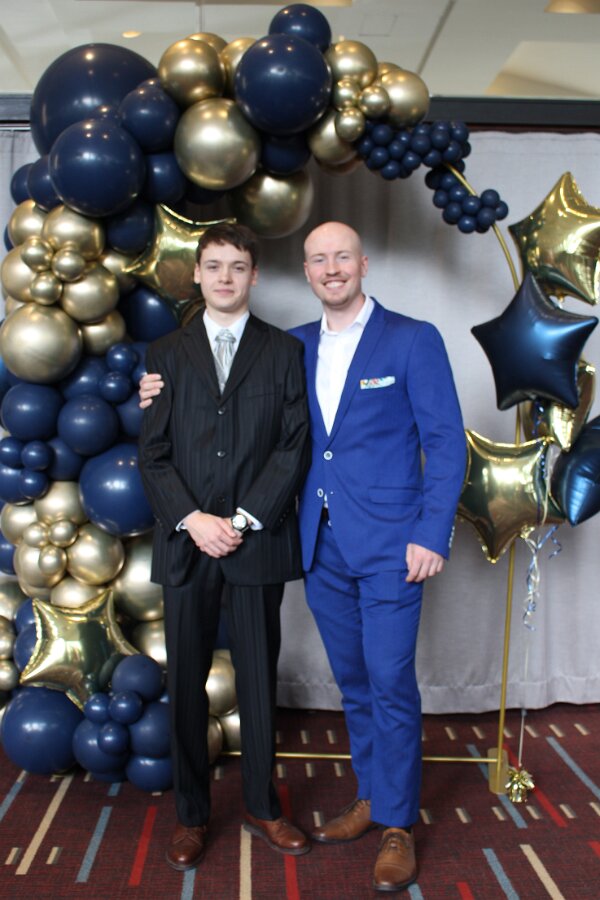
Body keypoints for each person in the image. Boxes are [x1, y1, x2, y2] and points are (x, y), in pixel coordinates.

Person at [140, 221, 466, 892]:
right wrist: (150, 390)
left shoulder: (413, 339)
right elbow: (231, 413)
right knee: (354, 681)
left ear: (362, 263)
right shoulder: (293, 347)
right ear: (308, 271)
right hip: (319, 542)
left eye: (341, 256)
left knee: (389, 680)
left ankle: (398, 823)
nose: (330, 268)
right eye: (318, 259)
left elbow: (446, 441)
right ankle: (372, 796)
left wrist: (433, 533)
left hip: (391, 543)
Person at [138, 222, 312, 872]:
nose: (225, 278)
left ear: (254, 275)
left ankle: (265, 806)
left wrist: (240, 519)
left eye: (237, 266)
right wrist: (193, 520)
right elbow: (152, 453)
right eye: (214, 266)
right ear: (197, 273)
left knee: (259, 679)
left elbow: (293, 445)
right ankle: (191, 815)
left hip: (254, 541)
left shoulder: (283, 351)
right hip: (188, 543)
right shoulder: (165, 353)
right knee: (184, 681)